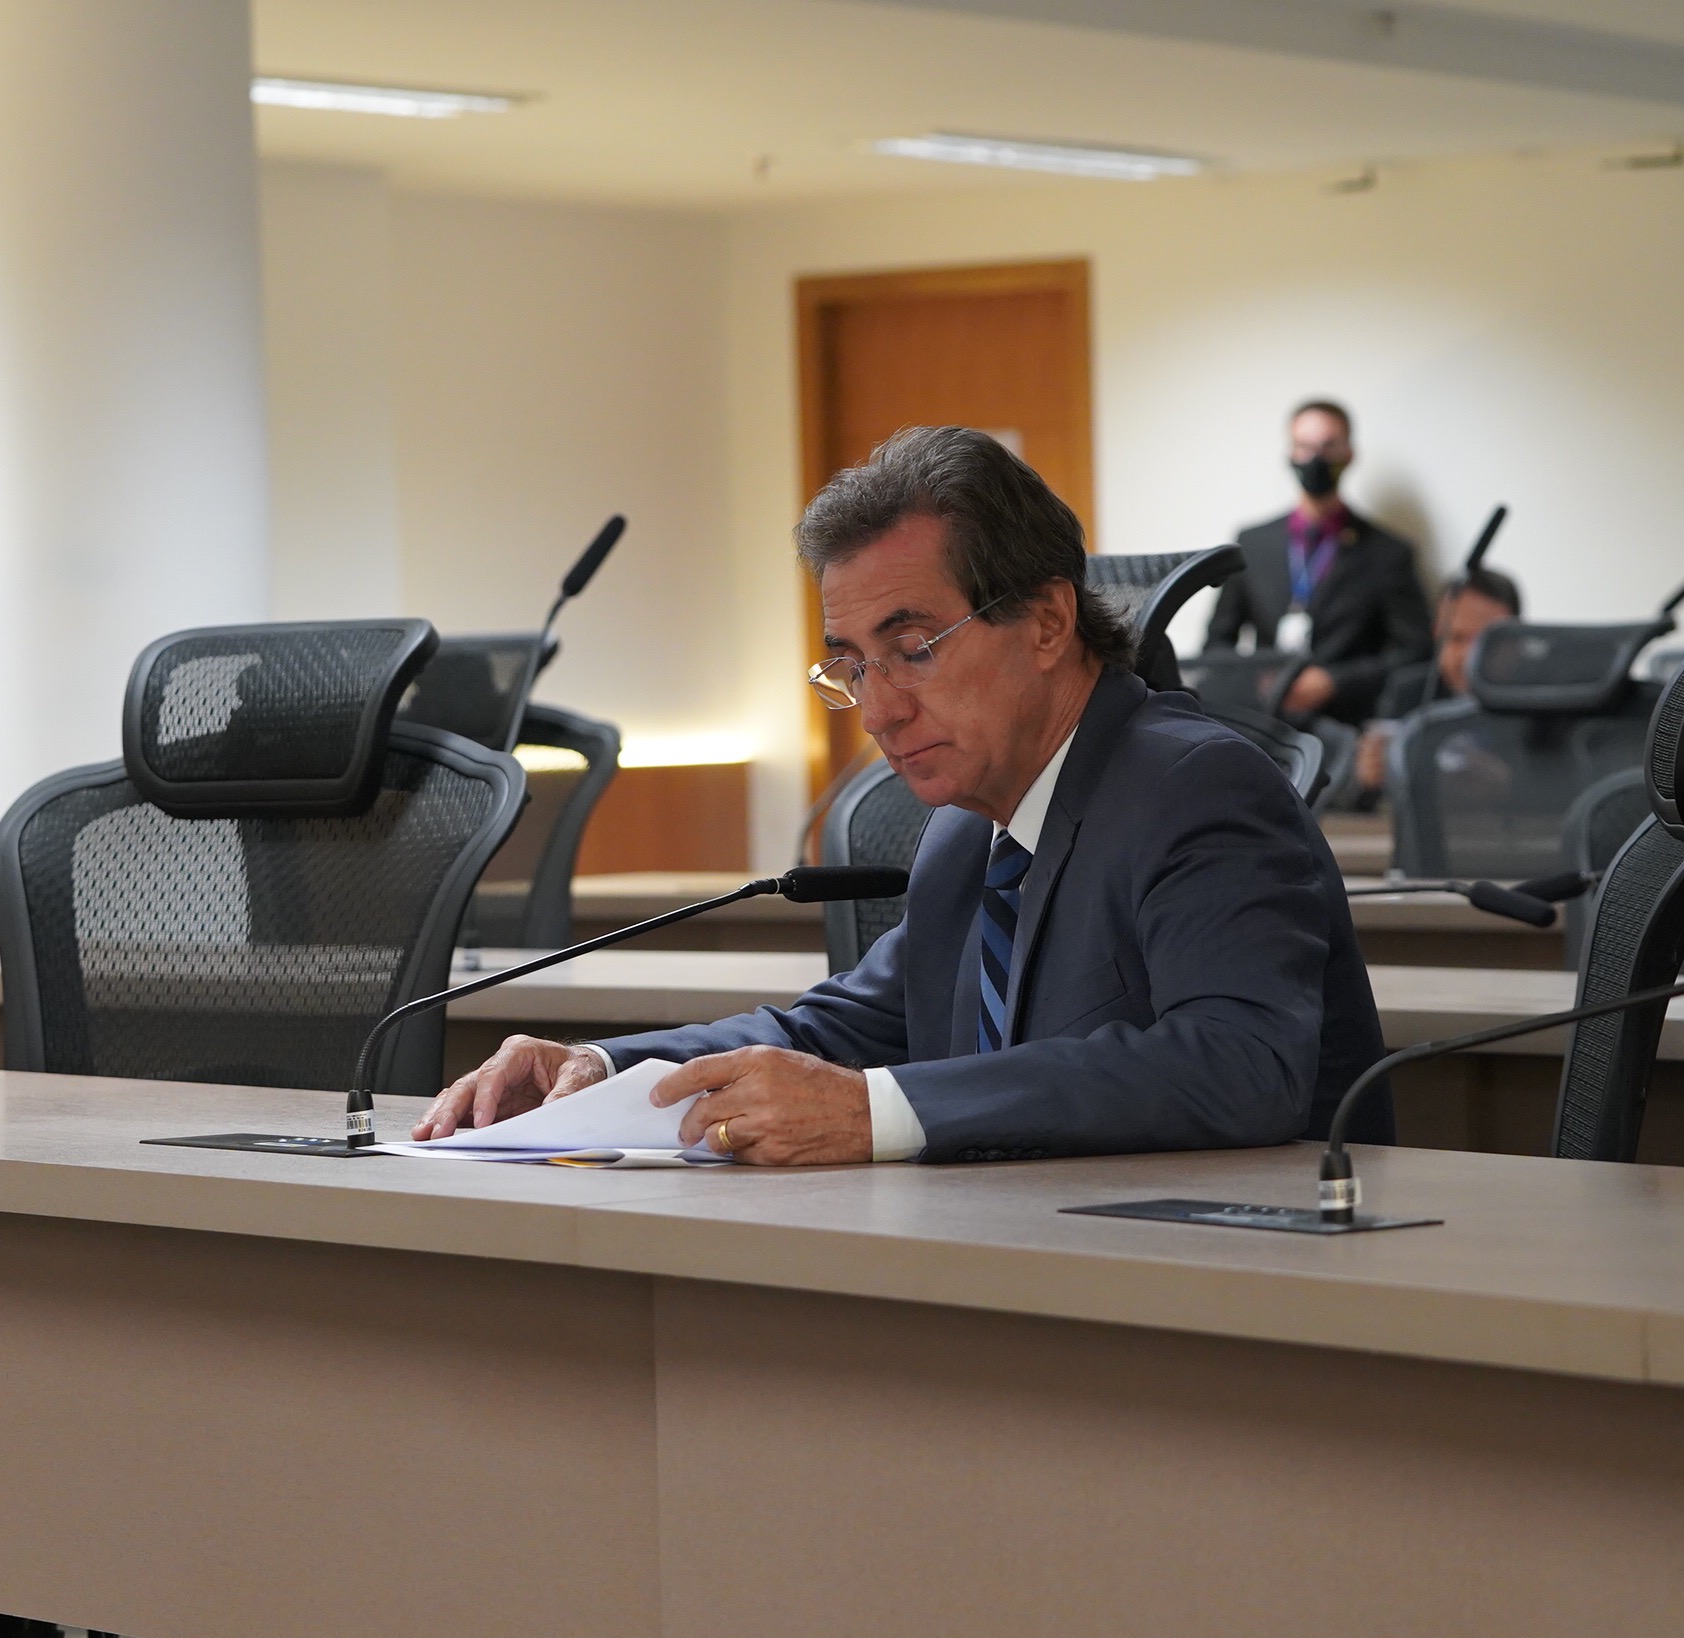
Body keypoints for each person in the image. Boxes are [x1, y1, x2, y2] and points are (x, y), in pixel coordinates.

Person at [417, 425, 1390, 1165]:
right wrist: (605, 1069)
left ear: (1047, 622)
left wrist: (877, 1110)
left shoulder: (1194, 786)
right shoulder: (968, 831)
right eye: (851, 664)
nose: (876, 711)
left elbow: (1237, 1064)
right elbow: (836, 1030)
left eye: (913, 647)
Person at [1202, 399, 1434, 730]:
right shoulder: (1252, 544)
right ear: (1290, 453)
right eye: (1305, 446)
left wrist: (1335, 682)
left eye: (1328, 446)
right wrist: (1255, 679)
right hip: (1264, 725)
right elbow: (1216, 644)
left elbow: (1416, 652)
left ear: (1349, 454)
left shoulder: (1387, 552)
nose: (1315, 459)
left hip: (1347, 727)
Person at [1353, 564, 1522, 795]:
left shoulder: (1541, 702)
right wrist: (1368, 777)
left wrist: (1509, 786)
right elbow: (1367, 793)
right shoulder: (1410, 692)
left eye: (1484, 641)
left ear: (1516, 640)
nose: (1468, 656)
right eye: (1457, 638)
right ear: (1437, 635)